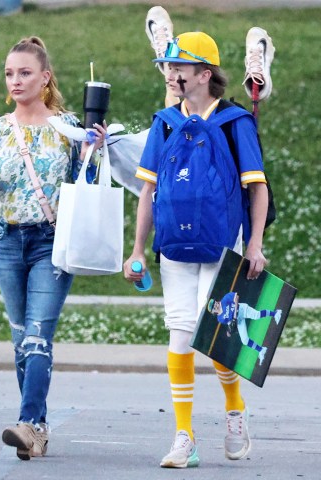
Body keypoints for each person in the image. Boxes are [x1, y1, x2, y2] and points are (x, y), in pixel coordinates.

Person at [0, 36, 106, 460]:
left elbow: (88, 186)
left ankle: (31, 424)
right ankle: (36, 426)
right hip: (8, 242)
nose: (15, 81)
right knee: (21, 340)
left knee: (38, 338)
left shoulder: (68, 127)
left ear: (45, 77)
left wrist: (95, 150)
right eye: (9, 73)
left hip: (51, 244)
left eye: (25, 73)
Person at [123, 31, 269, 468]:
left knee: (219, 339)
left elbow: (257, 188)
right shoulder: (164, 122)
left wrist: (256, 244)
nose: (171, 73)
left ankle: (234, 409)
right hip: (174, 246)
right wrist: (137, 249)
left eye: (179, 67)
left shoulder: (236, 123)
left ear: (204, 74)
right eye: (168, 67)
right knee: (181, 334)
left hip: (225, 245)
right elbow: (148, 190)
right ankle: (184, 435)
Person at [207, 293, 282, 365]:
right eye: (213, 307)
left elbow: (236, 297)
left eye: (215, 303)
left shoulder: (225, 299)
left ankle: (276, 313)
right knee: (245, 340)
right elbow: (230, 323)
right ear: (213, 312)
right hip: (238, 320)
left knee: (257, 315)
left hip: (241, 309)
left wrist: (235, 315)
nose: (215, 306)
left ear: (216, 301)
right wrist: (229, 331)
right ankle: (261, 350)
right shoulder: (219, 318)